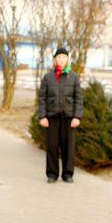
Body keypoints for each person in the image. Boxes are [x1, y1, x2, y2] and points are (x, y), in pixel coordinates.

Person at [37, 47, 84, 183]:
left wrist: (77, 117)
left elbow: (79, 99)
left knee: (68, 148)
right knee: (52, 147)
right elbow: (42, 99)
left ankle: (68, 174)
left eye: (64, 57)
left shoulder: (74, 77)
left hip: (69, 119)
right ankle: (52, 174)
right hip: (51, 119)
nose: (61, 60)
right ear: (55, 60)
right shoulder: (48, 78)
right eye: (59, 57)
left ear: (68, 60)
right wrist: (42, 116)